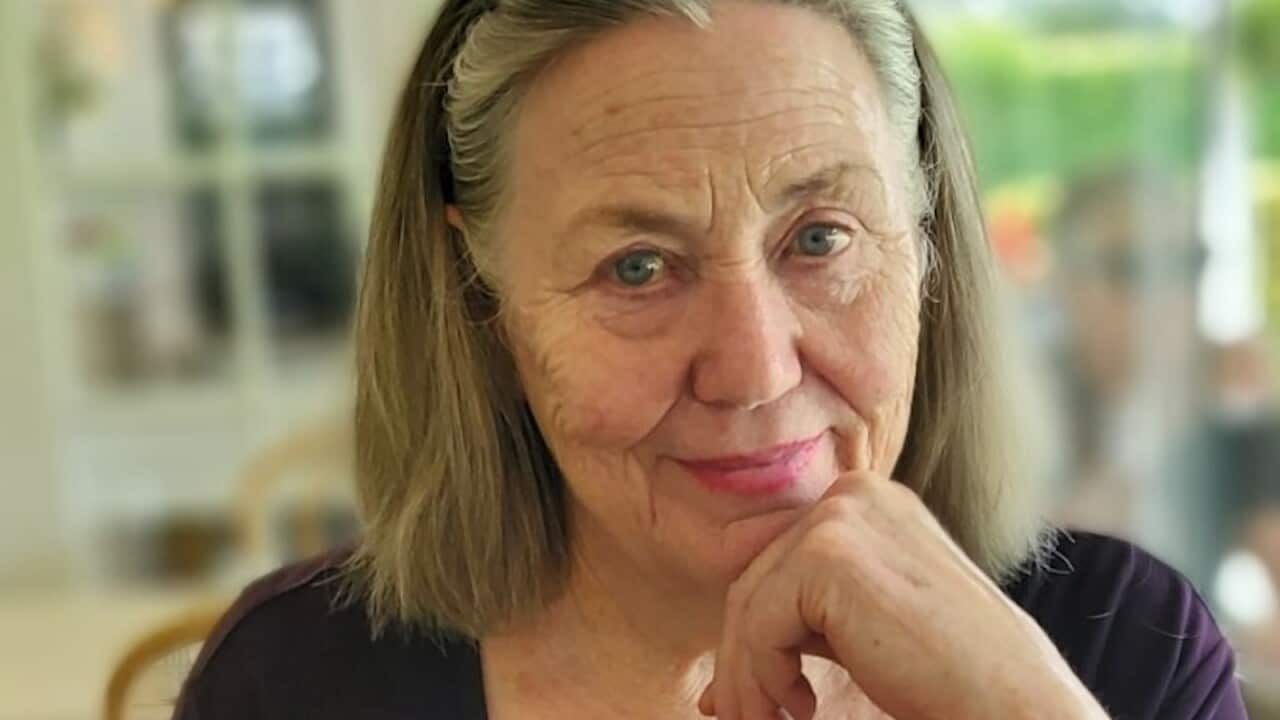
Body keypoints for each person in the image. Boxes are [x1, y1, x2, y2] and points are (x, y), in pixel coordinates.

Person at [173, 1, 1247, 718]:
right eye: (636, 267)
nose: (755, 371)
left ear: (924, 249)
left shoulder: (1125, 654)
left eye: (819, 239)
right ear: (481, 302)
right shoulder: (300, 684)